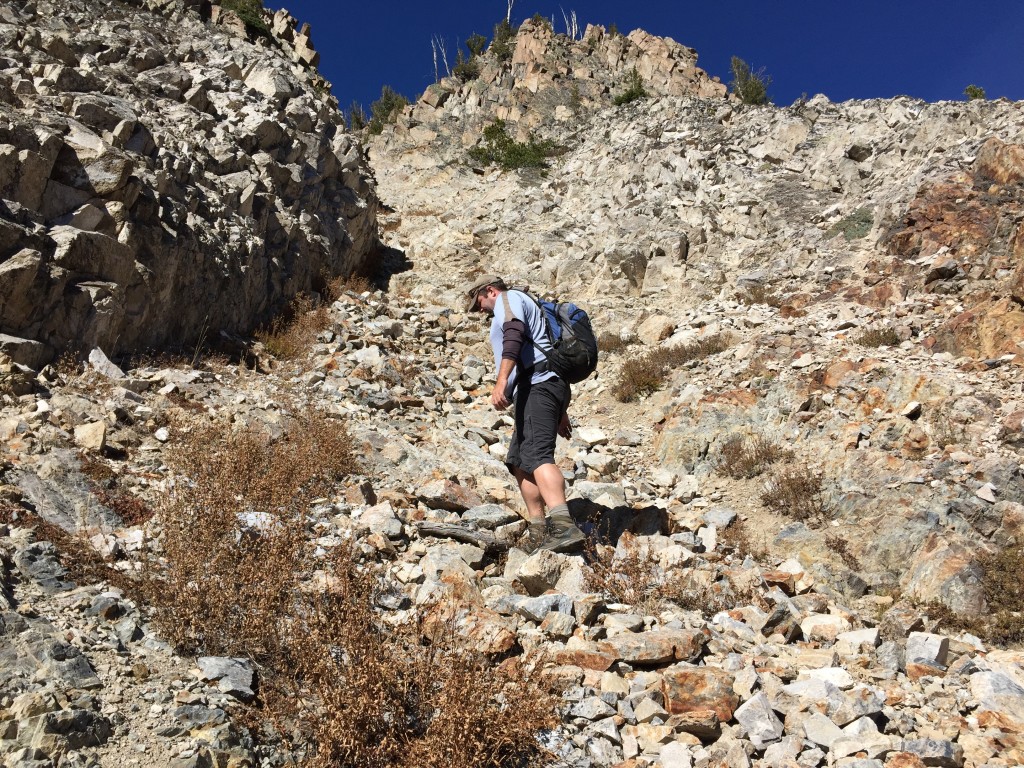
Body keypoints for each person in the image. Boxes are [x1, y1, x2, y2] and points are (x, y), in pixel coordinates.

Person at [466, 274, 586, 553]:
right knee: (519, 459)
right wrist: (560, 411)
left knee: (538, 454)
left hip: (539, 386)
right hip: (540, 387)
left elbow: (515, 335)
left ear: (491, 291)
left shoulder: (510, 300)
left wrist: (500, 381)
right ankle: (539, 528)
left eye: (479, 302)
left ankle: (563, 524)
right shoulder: (518, 302)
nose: (480, 310)